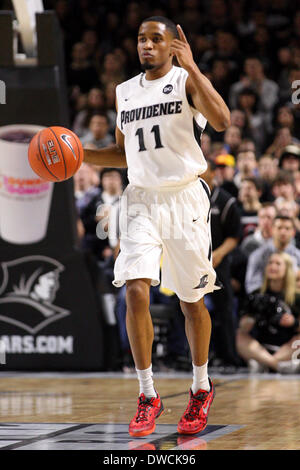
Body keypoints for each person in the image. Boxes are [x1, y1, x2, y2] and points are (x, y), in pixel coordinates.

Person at [82, 16, 230, 437]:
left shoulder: (186, 82)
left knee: (192, 301)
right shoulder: (125, 92)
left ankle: (200, 387)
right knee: (134, 288)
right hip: (142, 198)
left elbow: (221, 121)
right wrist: (80, 157)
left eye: (156, 39)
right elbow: (123, 153)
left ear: (171, 46)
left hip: (184, 198)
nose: (146, 46)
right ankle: (148, 394)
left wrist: (194, 67)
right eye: (141, 39)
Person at [236, 252, 300, 374]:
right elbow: (243, 326)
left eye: (278, 264)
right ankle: (277, 366)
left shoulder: (296, 296)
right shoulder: (256, 295)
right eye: (270, 263)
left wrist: (294, 322)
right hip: (261, 347)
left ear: (287, 269)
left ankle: (264, 364)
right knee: (239, 336)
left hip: (287, 348)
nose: (272, 266)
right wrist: (248, 322)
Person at [245, 215, 300, 294]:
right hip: (265, 299)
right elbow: (251, 286)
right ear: (272, 230)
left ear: (293, 232)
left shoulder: (298, 255)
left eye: (287, 228)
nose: (283, 232)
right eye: (279, 228)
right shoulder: (258, 255)